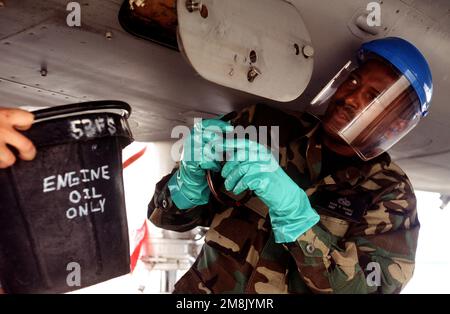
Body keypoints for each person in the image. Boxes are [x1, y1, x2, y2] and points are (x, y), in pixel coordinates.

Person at [0, 37, 432, 294]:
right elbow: (165, 216)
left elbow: (361, 290)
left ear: (397, 121)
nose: (353, 97)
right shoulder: (261, 124)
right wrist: (187, 184)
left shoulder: (390, 195)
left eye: (374, 96)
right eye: (353, 82)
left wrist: (299, 219)